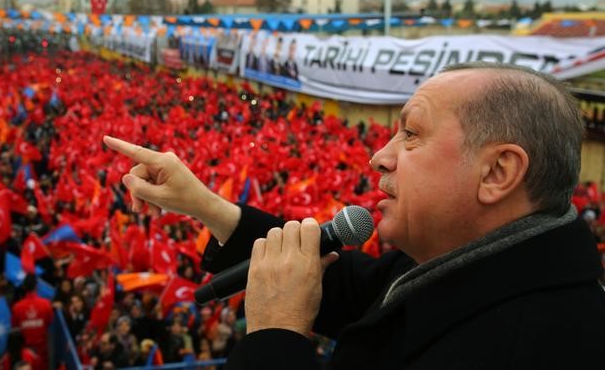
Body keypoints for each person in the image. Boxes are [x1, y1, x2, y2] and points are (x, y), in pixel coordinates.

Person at [103, 61, 605, 369]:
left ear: (498, 172)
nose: (379, 156)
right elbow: (354, 291)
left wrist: (276, 336)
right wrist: (203, 204)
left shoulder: (532, 347)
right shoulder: (476, 258)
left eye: (410, 134)